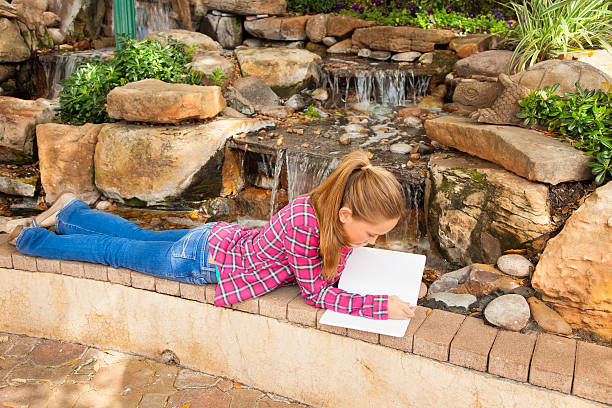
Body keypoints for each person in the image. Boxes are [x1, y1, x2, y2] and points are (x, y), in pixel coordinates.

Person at [11, 150, 415, 320]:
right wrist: (379, 306)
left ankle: (72, 213)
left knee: (135, 234)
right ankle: (30, 240)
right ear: (346, 214)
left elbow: (325, 264)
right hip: (200, 262)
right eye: (372, 234)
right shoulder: (305, 225)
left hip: (214, 240)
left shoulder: (326, 205)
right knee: (115, 252)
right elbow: (316, 294)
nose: (373, 241)